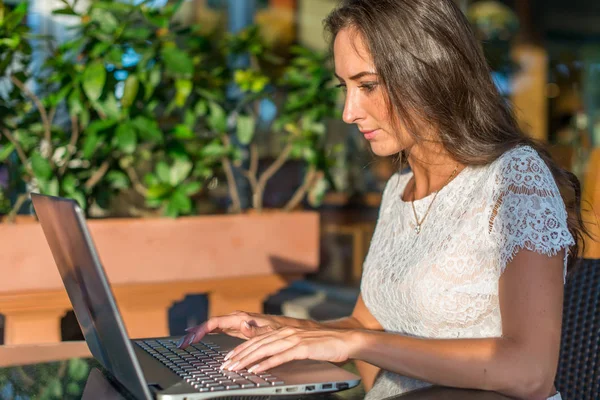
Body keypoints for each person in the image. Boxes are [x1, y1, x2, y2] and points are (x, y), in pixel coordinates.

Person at [178, 1, 588, 399]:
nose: (348, 111)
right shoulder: (399, 189)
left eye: (367, 85)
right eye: (345, 87)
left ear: (429, 72)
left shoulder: (513, 177)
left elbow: (530, 372)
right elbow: (367, 324)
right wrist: (276, 330)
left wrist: (356, 344)